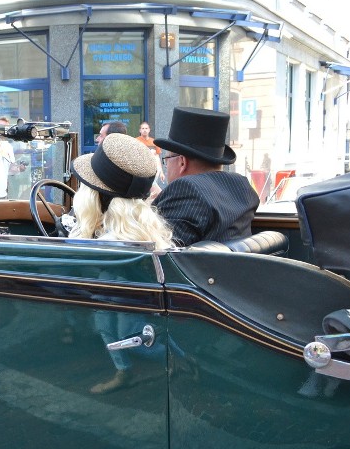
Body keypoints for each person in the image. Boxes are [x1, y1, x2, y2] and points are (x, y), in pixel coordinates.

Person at [69, 133, 173, 393]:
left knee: (116, 328)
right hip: (128, 295)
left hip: (120, 295)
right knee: (108, 323)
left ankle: (140, 368)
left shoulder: (108, 242)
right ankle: (132, 369)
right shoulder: (142, 229)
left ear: (97, 196)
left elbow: (74, 254)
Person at [152, 107, 259, 247]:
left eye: (166, 160)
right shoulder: (241, 185)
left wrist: (146, 209)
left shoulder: (184, 189)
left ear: (182, 162)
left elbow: (161, 251)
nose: (166, 168)